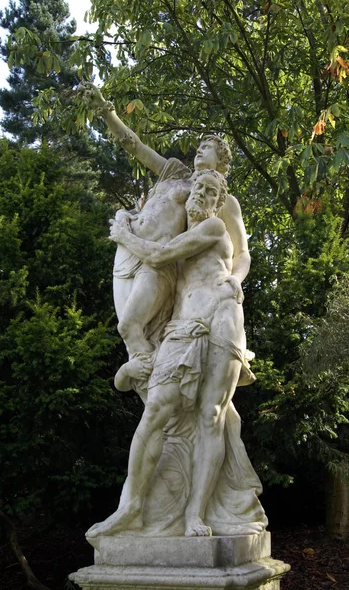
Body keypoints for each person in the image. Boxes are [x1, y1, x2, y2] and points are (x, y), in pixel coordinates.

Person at [87, 170, 266, 539]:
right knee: (157, 409)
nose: (201, 192)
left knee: (210, 416)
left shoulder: (214, 228)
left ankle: (195, 515)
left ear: (220, 202)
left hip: (221, 320)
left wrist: (123, 233)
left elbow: (159, 254)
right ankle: (130, 507)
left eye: (210, 190)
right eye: (198, 186)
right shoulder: (183, 229)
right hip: (183, 326)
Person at [78, 83, 250, 377]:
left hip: (160, 265)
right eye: (198, 146)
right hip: (133, 255)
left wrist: (234, 280)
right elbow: (134, 145)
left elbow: (240, 251)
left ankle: (152, 382)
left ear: (221, 161)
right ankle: (149, 379)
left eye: (206, 147)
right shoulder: (174, 171)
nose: (198, 149)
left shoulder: (218, 198)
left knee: (131, 326)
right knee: (131, 329)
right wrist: (105, 110)